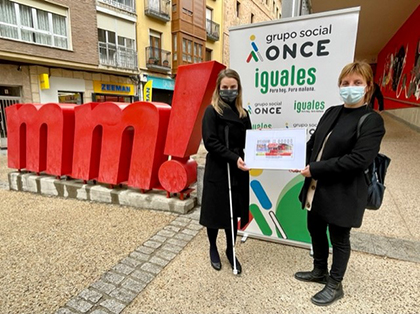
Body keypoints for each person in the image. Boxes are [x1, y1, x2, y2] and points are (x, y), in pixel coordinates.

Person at [293, 61, 385, 306]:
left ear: (367, 87)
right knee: (315, 228)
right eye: (345, 83)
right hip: (317, 187)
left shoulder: (371, 121)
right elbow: (314, 143)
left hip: (343, 191)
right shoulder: (332, 111)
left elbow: (357, 160)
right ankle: (319, 270)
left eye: (357, 83)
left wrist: (315, 168)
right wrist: (296, 158)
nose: (350, 87)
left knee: (339, 238)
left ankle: (335, 284)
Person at [199, 68, 252, 274]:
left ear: (238, 89)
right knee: (215, 212)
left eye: (233, 87)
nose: (229, 91)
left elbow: (249, 140)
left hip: (238, 169)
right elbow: (210, 142)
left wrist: (262, 148)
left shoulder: (243, 113)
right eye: (225, 87)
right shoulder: (211, 111)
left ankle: (231, 250)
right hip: (219, 168)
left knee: (234, 211)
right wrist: (233, 157)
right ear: (218, 89)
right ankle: (213, 247)